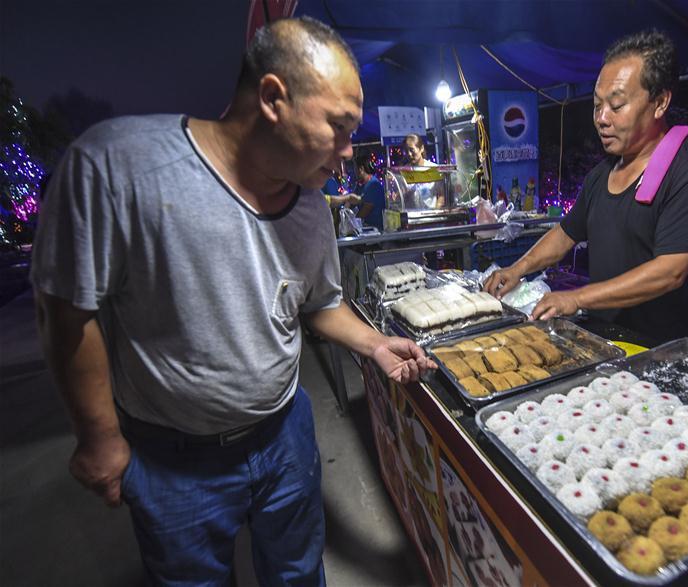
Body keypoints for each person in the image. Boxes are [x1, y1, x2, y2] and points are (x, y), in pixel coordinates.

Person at [30, 16, 435, 585]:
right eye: (339, 128)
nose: (349, 151)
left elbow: (317, 303)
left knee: (297, 571)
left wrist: (374, 344)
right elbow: (67, 311)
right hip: (173, 458)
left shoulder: (313, 207)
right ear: (273, 97)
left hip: (284, 434)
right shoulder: (118, 167)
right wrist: (99, 439)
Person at [484, 30, 688, 343]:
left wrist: (577, 298)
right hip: (605, 337)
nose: (602, 118)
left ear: (660, 102)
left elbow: (671, 271)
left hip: (661, 348)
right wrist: (517, 269)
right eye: (597, 106)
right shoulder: (602, 173)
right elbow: (566, 233)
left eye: (617, 105)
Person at [401, 133, 445, 208]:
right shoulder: (404, 171)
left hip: (431, 216)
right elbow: (401, 196)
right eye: (406, 151)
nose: (409, 154)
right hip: (412, 216)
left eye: (411, 150)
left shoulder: (433, 168)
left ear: (421, 148)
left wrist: (436, 211)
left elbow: (441, 195)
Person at [354, 155, 385, 231]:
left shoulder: (373, 185)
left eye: (355, 169)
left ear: (361, 169)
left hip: (376, 231)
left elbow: (366, 209)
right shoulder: (360, 186)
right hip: (366, 228)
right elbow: (352, 200)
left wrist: (352, 223)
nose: (354, 172)